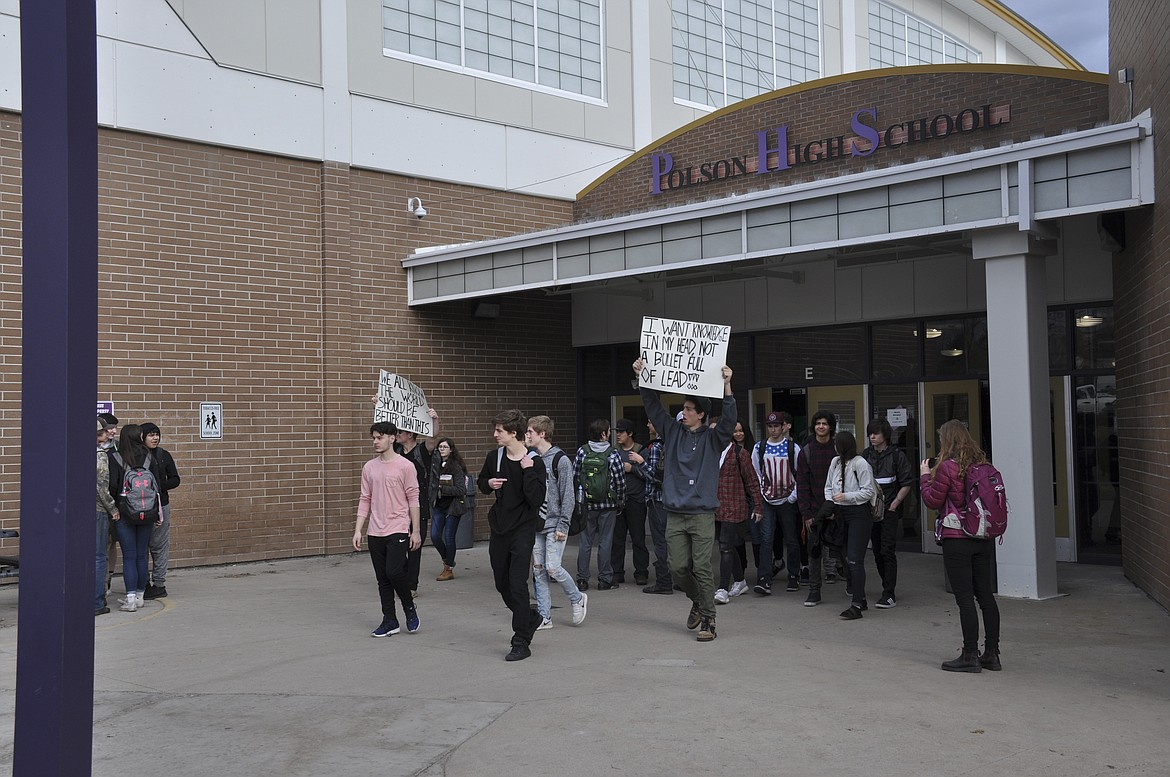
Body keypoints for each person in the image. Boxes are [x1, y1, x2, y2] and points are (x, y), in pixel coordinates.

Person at [634, 357, 736, 643]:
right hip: (675, 512)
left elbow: (728, 422)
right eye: (684, 408)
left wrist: (727, 386)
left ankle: (709, 619)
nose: (684, 412)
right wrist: (644, 379)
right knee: (677, 567)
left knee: (702, 566)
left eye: (689, 409)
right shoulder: (673, 433)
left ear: (701, 414)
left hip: (702, 513)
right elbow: (654, 408)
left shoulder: (714, 439)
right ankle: (697, 600)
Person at [920, 419, 1002, 673]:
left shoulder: (947, 467)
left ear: (947, 440)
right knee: (985, 596)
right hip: (983, 538)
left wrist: (924, 477)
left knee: (965, 598)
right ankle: (992, 653)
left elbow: (932, 501)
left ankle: (969, 655)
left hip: (957, 539)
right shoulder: (985, 466)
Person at [478, 409, 547, 661]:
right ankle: (530, 617)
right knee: (501, 583)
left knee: (517, 584)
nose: (494, 434)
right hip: (499, 528)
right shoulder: (494, 457)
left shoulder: (534, 462)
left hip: (523, 529)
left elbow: (536, 499)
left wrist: (528, 471)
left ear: (513, 433)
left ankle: (520, 640)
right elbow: (481, 482)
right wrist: (488, 484)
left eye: (499, 430)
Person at [352, 421, 421, 638]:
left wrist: (416, 530)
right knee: (382, 578)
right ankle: (389, 620)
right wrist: (358, 530)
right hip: (375, 530)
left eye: (379, 437)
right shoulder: (369, 467)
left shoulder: (405, 466)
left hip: (398, 527)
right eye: (373, 437)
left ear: (392, 438)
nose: (375, 441)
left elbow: (413, 499)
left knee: (394, 572)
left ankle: (408, 606)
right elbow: (365, 499)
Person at [525, 415, 588, 630]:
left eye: (530, 432)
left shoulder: (560, 460)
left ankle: (577, 597)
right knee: (539, 570)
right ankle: (544, 616)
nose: (527, 435)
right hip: (537, 523)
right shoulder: (533, 459)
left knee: (553, 567)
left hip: (554, 523)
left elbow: (568, 495)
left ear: (542, 434)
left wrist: (563, 525)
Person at [107, 424, 161, 613]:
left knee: (129, 556)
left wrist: (115, 508)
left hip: (124, 514)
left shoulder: (115, 457)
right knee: (141, 555)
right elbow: (157, 487)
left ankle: (130, 598)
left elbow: (112, 487)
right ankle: (139, 596)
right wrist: (157, 513)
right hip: (147, 512)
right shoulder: (148, 457)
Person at [862, 418, 913, 608]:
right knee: (876, 551)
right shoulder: (866, 454)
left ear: (885, 435)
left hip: (890, 510)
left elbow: (906, 483)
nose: (872, 437)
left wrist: (895, 504)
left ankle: (889, 593)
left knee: (887, 550)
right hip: (870, 510)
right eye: (870, 433)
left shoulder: (897, 456)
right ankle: (886, 586)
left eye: (876, 433)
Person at [825, 430, 876, 620]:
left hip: (858, 513)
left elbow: (868, 492)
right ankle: (860, 597)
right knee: (843, 556)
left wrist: (846, 497)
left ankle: (856, 605)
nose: (834, 446)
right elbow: (828, 486)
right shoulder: (835, 462)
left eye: (837, 443)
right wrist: (831, 503)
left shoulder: (860, 463)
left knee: (855, 559)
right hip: (840, 512)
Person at [751, 411, 802, 594]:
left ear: (783, 427)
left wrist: (792, 497)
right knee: (766, 539)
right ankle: (764, 578)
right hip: (767, 499)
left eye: (776, 426)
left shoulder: (792, 448)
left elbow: (800, 474)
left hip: (787, 499)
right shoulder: (760, 447)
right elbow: (755, 473)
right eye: (770, 426)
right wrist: (760, 494)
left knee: (791, 539)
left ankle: (794, 575)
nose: (773, 429)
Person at [573, 418, 626, 591]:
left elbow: (576, 476)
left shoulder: (583, 451)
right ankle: (605, 579)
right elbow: (619, 480)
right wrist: (620, 501)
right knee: (605, 541)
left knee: (585, 542)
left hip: (587, 505)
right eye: (609, 430)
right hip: (607, 504)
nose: (611, 433)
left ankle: (582, 579)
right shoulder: (612, 453)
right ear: (603, 434)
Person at [714, 421, 763, 604]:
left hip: (734, 507)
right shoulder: (712, 453)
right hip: (715, 508)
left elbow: (752, 481)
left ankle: (722, 589)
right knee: (727, 545)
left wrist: (758, 506)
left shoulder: (739, 454)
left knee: (725, 546)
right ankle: (740, 580)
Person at [393, 408, 440, 597]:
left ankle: (411, 585)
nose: (396, 435)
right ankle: (402, 578)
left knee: (414, 545)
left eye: (400, 432)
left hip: (418, 504)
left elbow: (433, 437)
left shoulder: (422, 450)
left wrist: (434, 419)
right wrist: (377, 407)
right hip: (397, 503)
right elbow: (382, 431)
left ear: (410, 434)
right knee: (397, 543)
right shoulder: (395, 450)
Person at [797, 410, 840, 607]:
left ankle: (853, 585)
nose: (821, 426)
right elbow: (802, 484)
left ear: (831, 427)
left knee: (842, 549)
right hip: (814, 509)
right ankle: (814, 591)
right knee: (814, 551)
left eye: (824, 423)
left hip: (838, 507)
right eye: (817, 423)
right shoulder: (806, 451)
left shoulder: (838, 449)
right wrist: (806, 512)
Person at [141, 422, 181, 599]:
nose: (155, 438)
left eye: (157, 434)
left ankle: (159, 584)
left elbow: (175, 479)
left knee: (159, 546)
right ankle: (142, 582)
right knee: (141, 546)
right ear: (142, 437)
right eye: (151, 435)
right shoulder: (136, 456)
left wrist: (157, 487)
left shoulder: (163, 455)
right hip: (139, 507)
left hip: (160, 506)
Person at [610, 417, 650, 586]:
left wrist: (632, 469)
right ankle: (617, 572)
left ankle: (641, 572)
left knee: (638, 538)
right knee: (617, 539)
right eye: (616, 432)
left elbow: (650, 475)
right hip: (619, 501)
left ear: (630, 433)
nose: (618, 435)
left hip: (636, 501)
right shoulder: (614, 452)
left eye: (621, 432)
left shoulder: (641, 451)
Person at [428, 437, 469, 581]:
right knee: (434, 536)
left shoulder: (456, 467)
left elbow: (460, 489)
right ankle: (448, 559)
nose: (442, 449)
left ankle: (448, 569)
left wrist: (441, 489)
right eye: (440, 447)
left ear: (451, 449)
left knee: (449, 537)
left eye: (445, 447)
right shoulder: (435, 465)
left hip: (453, 507)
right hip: (438, 506)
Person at [640, 418, 673, 594]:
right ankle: (680, 579)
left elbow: (653, 475)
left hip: (657, 500)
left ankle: (664, 581)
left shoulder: (657, 446)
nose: (647, 425)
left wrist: (640, 462)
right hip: (673, 500)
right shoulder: (674, 443)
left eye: (651, 422)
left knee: (660, 542)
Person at [95, 417, 118, 616]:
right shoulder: (100, 455)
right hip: (98, 510)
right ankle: (97, 601)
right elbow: (101, 488)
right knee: (99, 556)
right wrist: (113, 509)